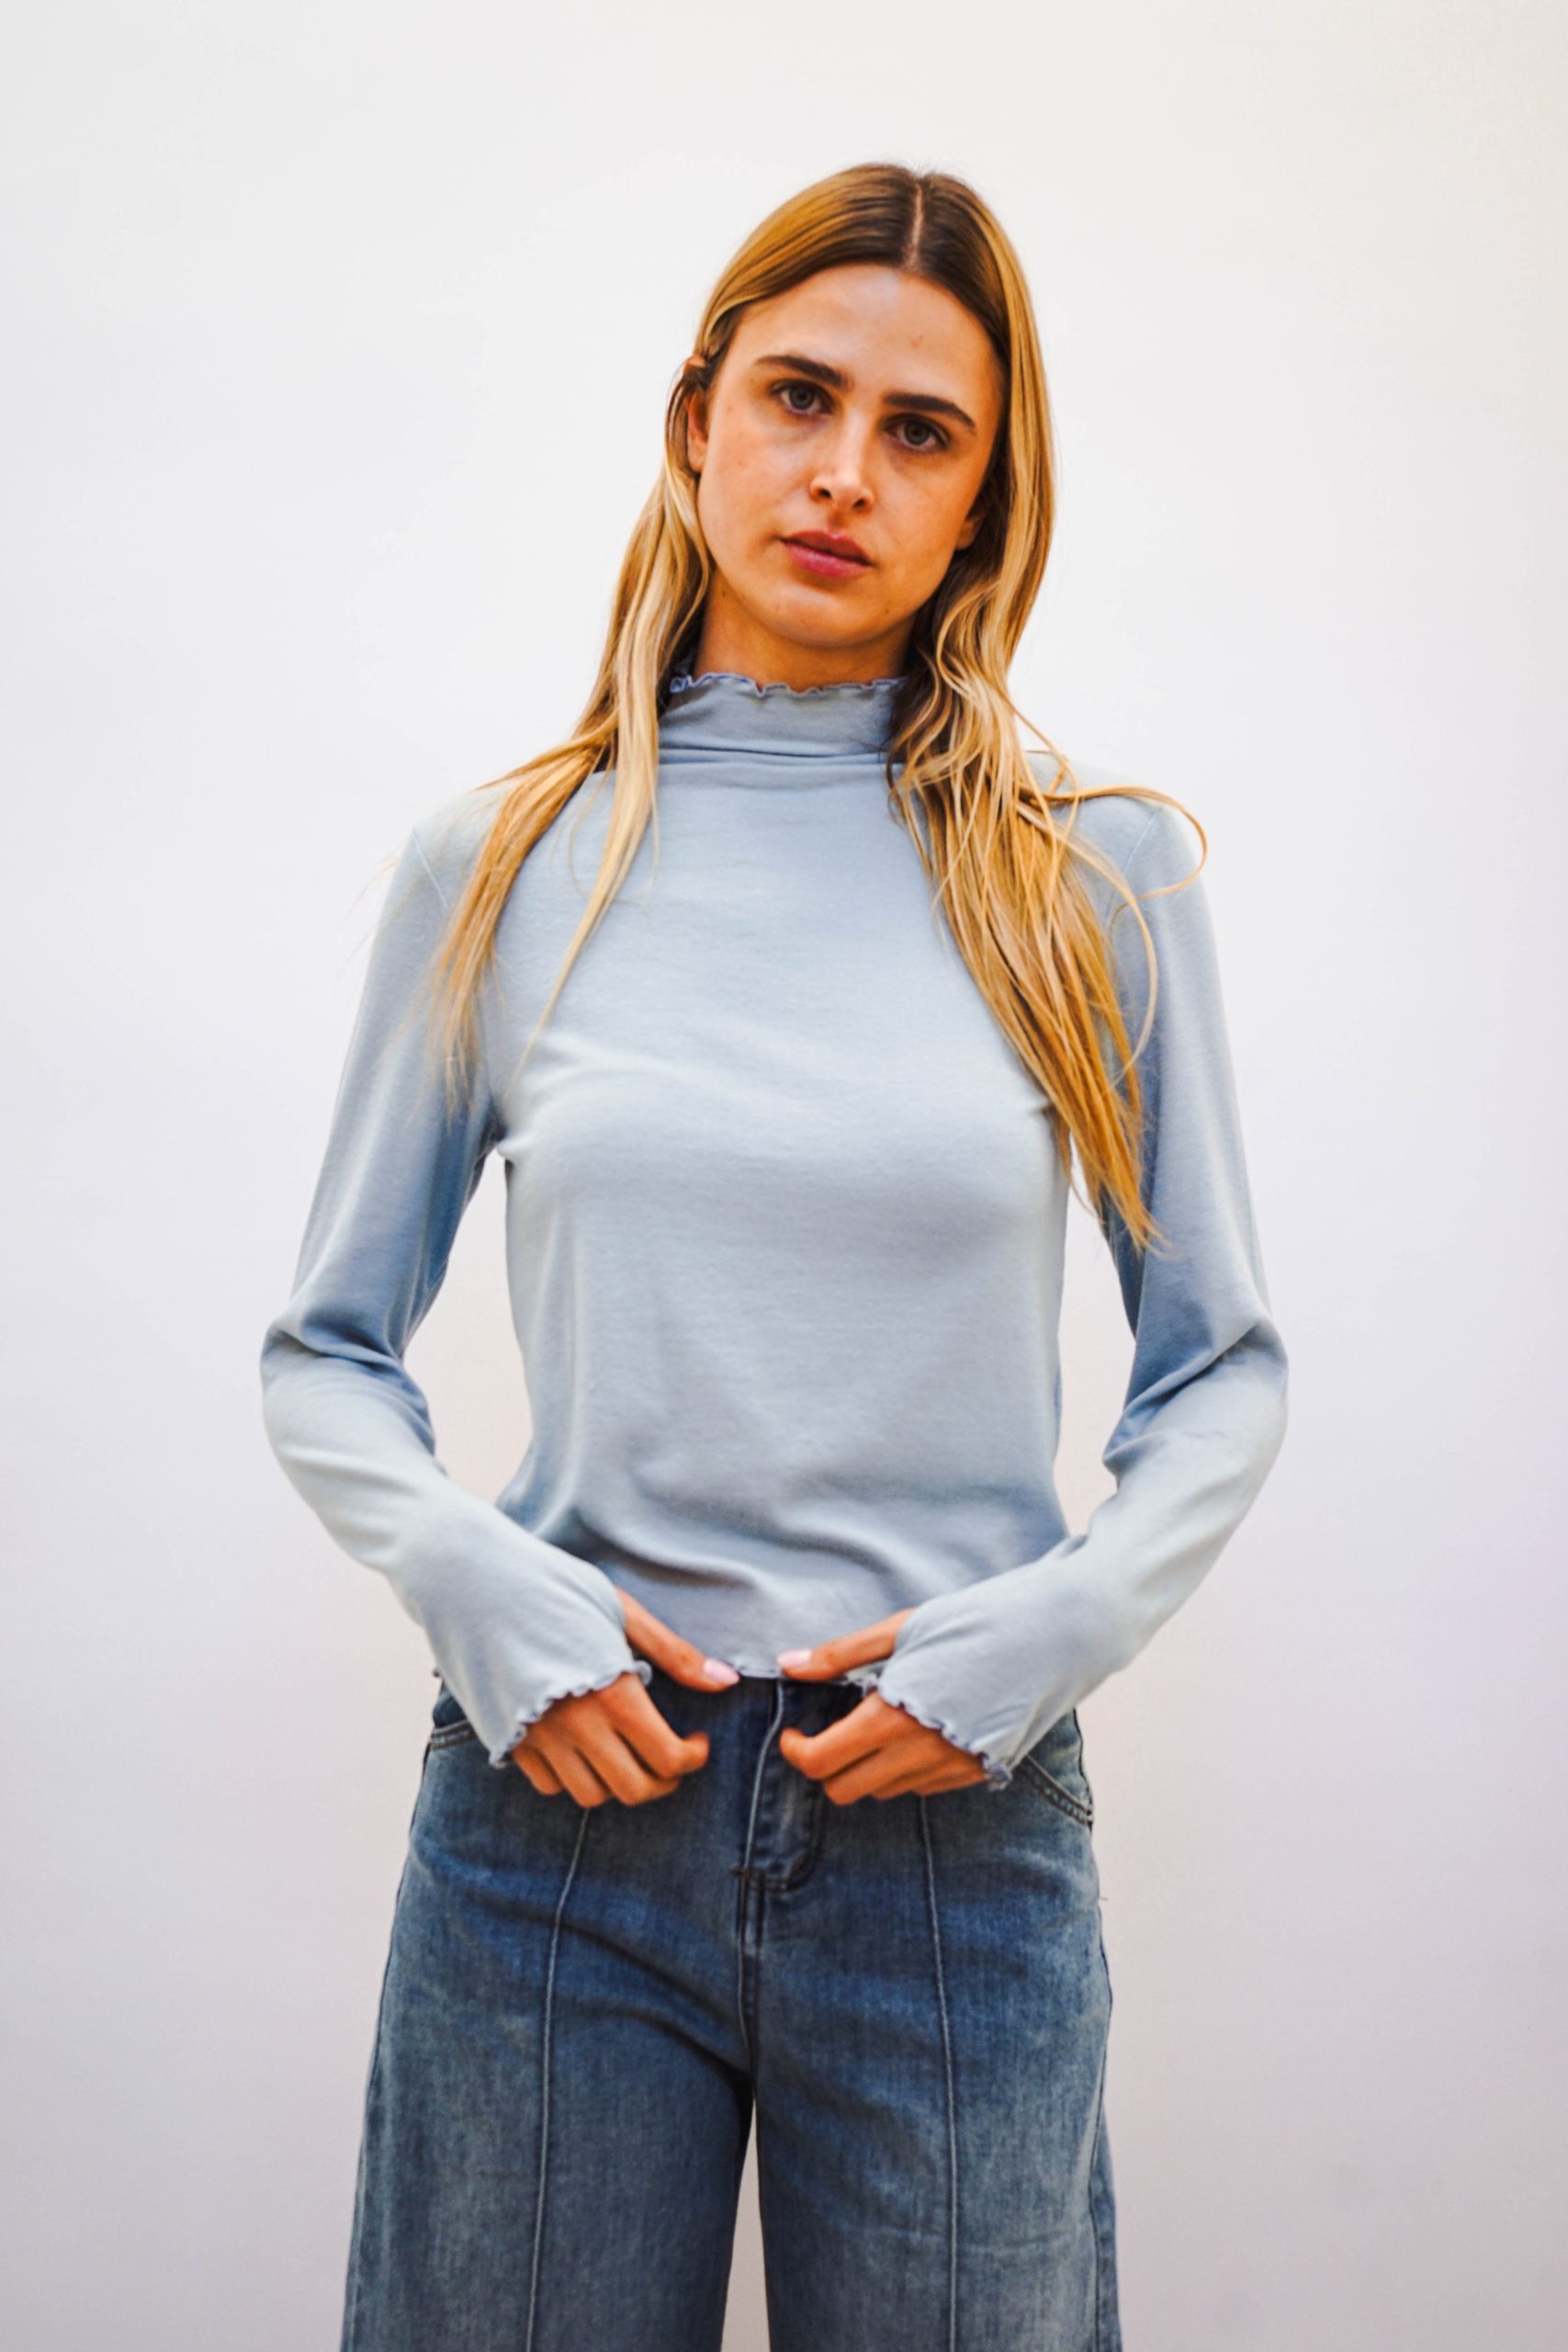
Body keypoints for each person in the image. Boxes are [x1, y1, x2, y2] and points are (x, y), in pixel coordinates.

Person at [259, 159, 1288, 2352]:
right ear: (693, 418)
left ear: (983, 499)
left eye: (918, 431)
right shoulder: (503, 861)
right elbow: (325, 1347)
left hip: (951, 1835)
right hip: (559, 1820)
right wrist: (477, 1586)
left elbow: (1218, 1365)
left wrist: (1045, 1634)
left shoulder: (1089, 880)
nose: (840, 473)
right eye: (797, 397)